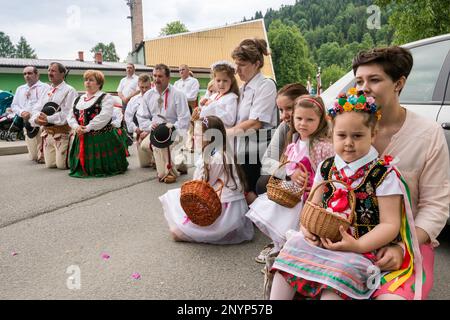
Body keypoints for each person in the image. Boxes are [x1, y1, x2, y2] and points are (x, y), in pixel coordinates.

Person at [270, 88, 423, 300]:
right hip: (325, 240)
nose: (349, 143)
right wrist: (307, 229)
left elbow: (390, 224)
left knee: (334, 286)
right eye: (341, 135)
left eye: (358, 136)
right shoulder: (326, 167)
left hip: (360, 248)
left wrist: (358, 245)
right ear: (332, 134)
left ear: (373, 134)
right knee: (289, 253)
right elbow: (312, 206)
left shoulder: (383, 173)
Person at [352, 46, 450, 300]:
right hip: (351, 242)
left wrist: (402, 245)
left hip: (406, 242)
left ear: (399, 83)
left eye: (374, 80)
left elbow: (436, 205)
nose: (364, 87)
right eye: (359, 81)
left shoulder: (428, 134)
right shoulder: (347, 132)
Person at [247, 95, 334, 255]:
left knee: (300, 227)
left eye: (309, 119)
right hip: (292, 192)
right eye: (299, 118)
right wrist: (291, 172)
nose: (302, 123)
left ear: (320, 120)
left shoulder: (323, 146)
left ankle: (294, 252)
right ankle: (280, 248)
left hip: (310, 195)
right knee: (282, 222)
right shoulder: (295, 141)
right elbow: (288, 165)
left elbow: (329, 173)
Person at [160, 115, 254, 244]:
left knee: (176, 232)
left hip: (222, 206)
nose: (194, 137)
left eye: (198, 134)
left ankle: (223, 229)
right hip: (219, 199)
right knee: (175, 210)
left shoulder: (216, 157)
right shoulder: (214, 151)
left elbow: (203, 185)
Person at [228, 38, 278, 205]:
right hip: (241, 146)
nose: (237, 70)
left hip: (257, 150)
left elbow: (255, 123)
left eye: (242, 65)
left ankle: (261, 218)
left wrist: (225, 134)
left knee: (247, 190)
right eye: (236, 64)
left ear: (256, 64)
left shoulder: (266, 85)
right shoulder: (242, 89)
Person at [67, 70, 129, 177]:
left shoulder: (105, 97)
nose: (87, 82)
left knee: (101, 168)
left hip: (101, 137)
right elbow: (70, 116)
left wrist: (88, 127)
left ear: (99, 83)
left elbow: (104, 117)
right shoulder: (78, 99)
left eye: (91, 80)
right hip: (81, 136)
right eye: (86, 80)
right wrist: (76, 126)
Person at [137, 63, 190, 183]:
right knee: (149, 143)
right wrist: (150, 126)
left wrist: (171, 127)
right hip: (154, 132)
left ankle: (166, 173)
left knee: (162, 143)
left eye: (160, 76)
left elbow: (184, 118)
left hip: (175, 131)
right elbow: (141, 116)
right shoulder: (148, 95)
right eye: (154, 76)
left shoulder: (178, 94)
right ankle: (180, 163)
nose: (156, 79)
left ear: (168, 78)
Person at [257, 83, 310, 195]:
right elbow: (266, 161)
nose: (283, 116)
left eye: (289, 108)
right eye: (281, 110)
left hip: (309, 185)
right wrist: (289, 172)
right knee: (263, 182)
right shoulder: (285, 127)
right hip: (291, 184)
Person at [30, 62, 78, 169]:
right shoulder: (47, 90)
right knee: (50, 165)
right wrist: (36, 120)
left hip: (62, 133)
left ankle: (76, 154)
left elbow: (68, 113)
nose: (50, 73)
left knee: (62, 165)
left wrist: (48, 119)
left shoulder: (69, 90)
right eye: (49, 70)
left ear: (62, 74)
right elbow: (37, 108)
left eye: (53, 71)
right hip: (48, 134)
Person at [10, 66, 50, 162]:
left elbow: (43, 103)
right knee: (33, 157)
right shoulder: (20, 89)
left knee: (42, 156)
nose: (27, 76)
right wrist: (22, 112)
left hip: (39, 121)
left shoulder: (45, 87)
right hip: (26, 122)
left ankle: (45, 155)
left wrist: (31, 113)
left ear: (37, 74)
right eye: (25, 74)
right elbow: (14, 105)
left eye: (29, 73)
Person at [194, 61, 239, 129]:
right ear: (214, 80)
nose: (221, 84)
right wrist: (202, 106)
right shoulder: (213, 96)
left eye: (225, 80)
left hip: (221, 133)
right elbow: (207, 112)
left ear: (231, 81)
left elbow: (230, 120)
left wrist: (213, 105)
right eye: (218, 80)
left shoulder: (231, 98)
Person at [125, 73, 155, 168]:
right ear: (138, 85)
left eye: (147, 87)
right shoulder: (133, 100)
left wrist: (148, 131)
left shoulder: (156, 98)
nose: (145, 90)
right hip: (139, 131)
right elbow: (128, 117)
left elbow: (160, 118)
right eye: (142, 87)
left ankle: (159, 158)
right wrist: (135, 129)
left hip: (154, 131)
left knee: (157, 162)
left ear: (151, 85)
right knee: (145, 164)